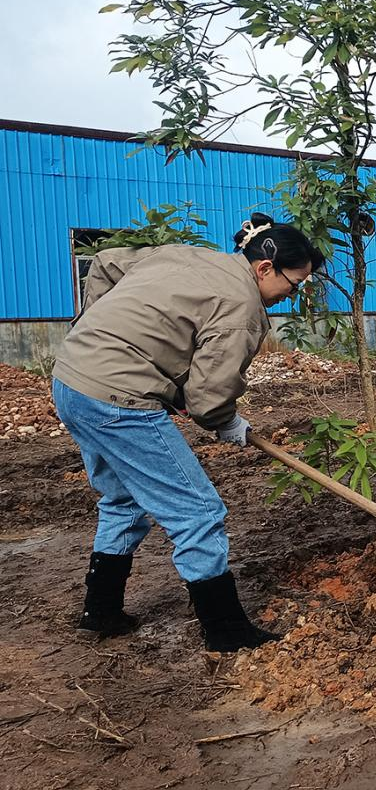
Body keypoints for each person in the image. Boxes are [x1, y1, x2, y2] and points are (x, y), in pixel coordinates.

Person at [52, 213, 325, 650]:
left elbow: (105, 262)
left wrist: (91, 326)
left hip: (71, 379)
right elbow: (208, 398)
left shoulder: (189, 255)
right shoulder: (242, 307)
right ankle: (226, 630)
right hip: (119, 398)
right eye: (293, 285)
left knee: (123, 499)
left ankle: (101, 612)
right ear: (265, 268)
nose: (291, 295)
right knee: (197, 511)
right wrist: (227, 423)